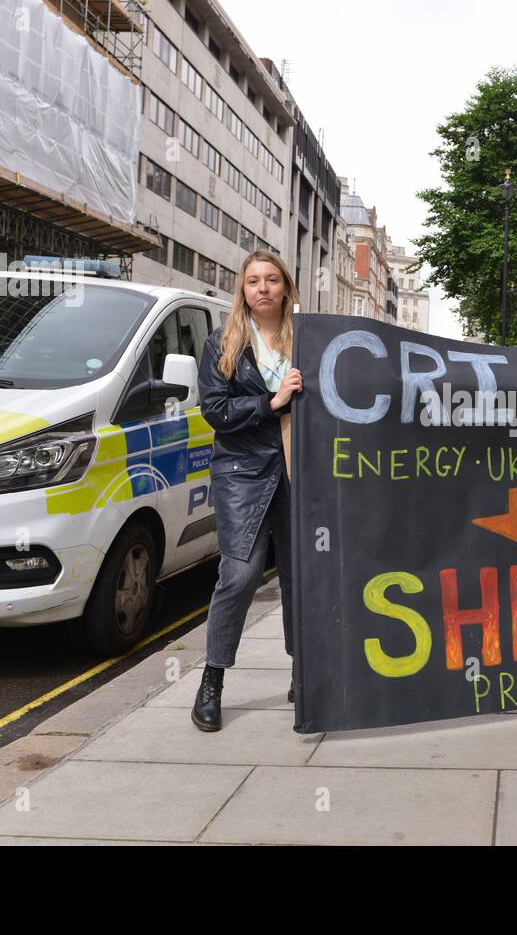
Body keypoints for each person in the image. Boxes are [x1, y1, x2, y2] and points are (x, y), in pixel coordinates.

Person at [191, 250, 303, 732]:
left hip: (303, 470)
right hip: (242, 471)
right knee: (239, 575)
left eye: (272, 280)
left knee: (303, 577)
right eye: (253, 280)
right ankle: (212, 681)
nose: (262, 288)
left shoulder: (308, 342)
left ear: (286, 288)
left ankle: (305, 673)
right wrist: (270, 402)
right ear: (243, 289)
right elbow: (214, 411)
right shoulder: (224, 342)